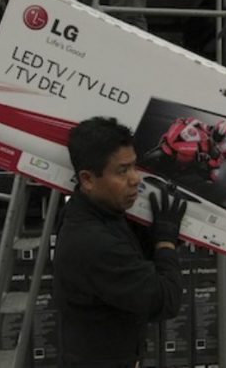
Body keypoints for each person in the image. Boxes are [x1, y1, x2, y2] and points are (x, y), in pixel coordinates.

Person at [53, 116, 187, 367]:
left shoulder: (96, 213)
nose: (135, 179)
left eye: (135, 167)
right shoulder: (94, 243)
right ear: (88, 179)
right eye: (122, 171)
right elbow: (166, 300)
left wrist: (152, 236)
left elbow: (131, 256)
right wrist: (165, 241)